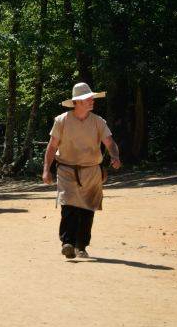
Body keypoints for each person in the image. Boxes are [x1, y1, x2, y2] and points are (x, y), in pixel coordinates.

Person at [42, 83, 121, 259]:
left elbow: (110, 143)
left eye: (92, 97)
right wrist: (46, 169)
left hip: (92, 170)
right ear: (77, 102)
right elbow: (52, 146)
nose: (92, 100)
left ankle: (81, 246)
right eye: (88, 98)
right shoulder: (61, 121)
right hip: (67, 169)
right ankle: (67, 243)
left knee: (87, 208)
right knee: (69, 206)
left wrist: (115, 156)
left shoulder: (98, 122)